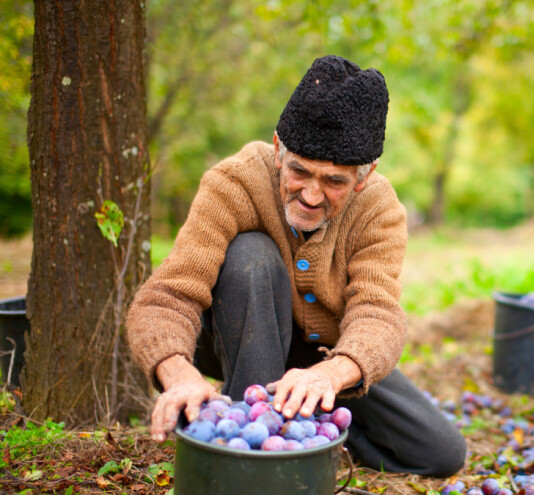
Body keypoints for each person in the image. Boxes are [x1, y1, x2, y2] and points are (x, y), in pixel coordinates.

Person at [125, 55, 466, 477]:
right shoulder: (234, 182)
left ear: (364, 176)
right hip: (237, 330)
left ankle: (310, 422)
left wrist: (332, 374)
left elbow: (378, 314)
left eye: (334, 182)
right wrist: (178, 374)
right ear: (277, 149)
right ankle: (249, 446)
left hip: (325, 356)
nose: (310, 195)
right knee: (251, 254)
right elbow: (168, 295)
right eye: (299, 171)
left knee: (440, 453)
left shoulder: (379, 208)